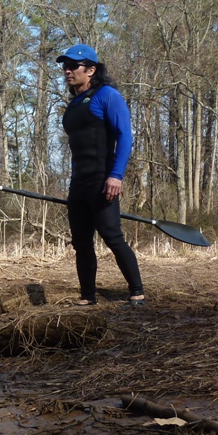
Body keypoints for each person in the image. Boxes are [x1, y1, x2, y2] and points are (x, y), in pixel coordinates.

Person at [56, 43, 145, 308]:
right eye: (65, 66)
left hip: (102, 179)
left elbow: (125, 136)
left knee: (111, 235)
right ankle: (88, 295)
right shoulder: (73, 104)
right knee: (81, 242)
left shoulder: (107, 95)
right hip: (78, 183)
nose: (68, 71)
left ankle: (137, 292)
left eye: (74, 66)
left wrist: (116, 176)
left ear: (91, 70)